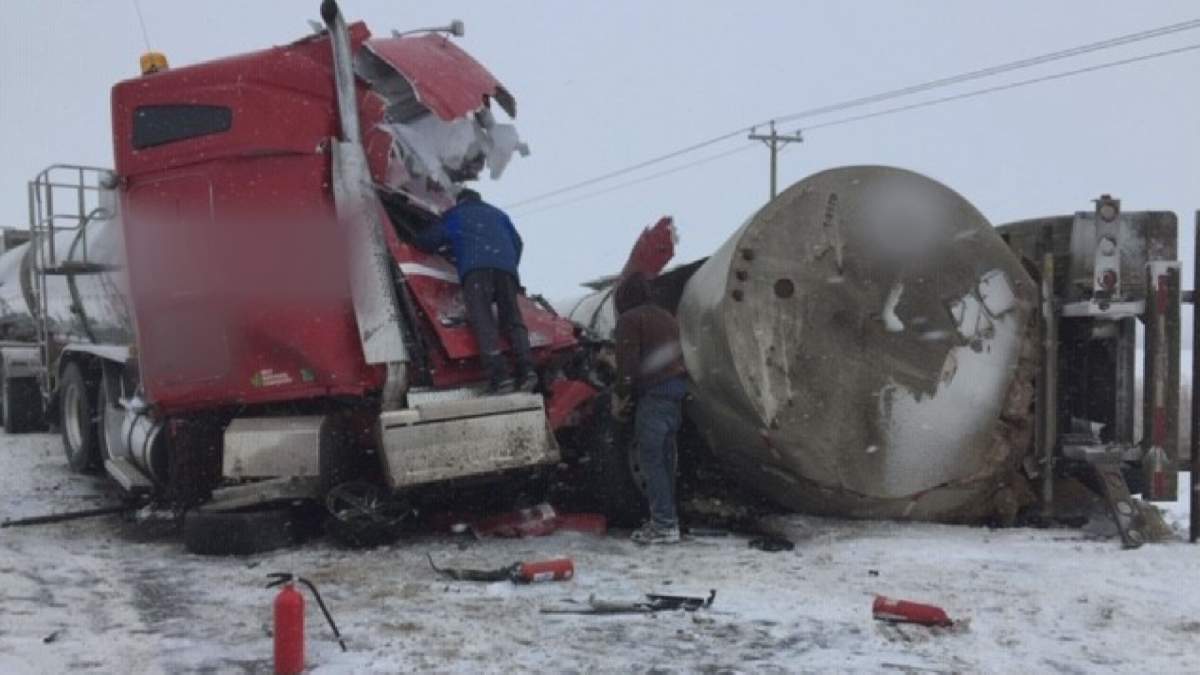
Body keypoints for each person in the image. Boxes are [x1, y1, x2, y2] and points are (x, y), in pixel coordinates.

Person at [413, 188, 536, 394]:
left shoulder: (457, 214)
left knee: (483, 320)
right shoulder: (499, 214)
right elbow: (518, 242)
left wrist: (418, 240)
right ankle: (527, 369)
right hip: (506, 271)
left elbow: (432, 239)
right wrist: (507, 264)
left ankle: (500, 376)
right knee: (513, 319)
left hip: (476, 270)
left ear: (460, 201)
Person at [612, 273, 688, 545]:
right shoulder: (666, 317)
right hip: (676, 394)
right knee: (666, 462)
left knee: (651, 462)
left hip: (654, 397)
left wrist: (621, 396)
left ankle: (664, 525)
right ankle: (669, 520)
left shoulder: (630, 320)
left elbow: (628, 369)